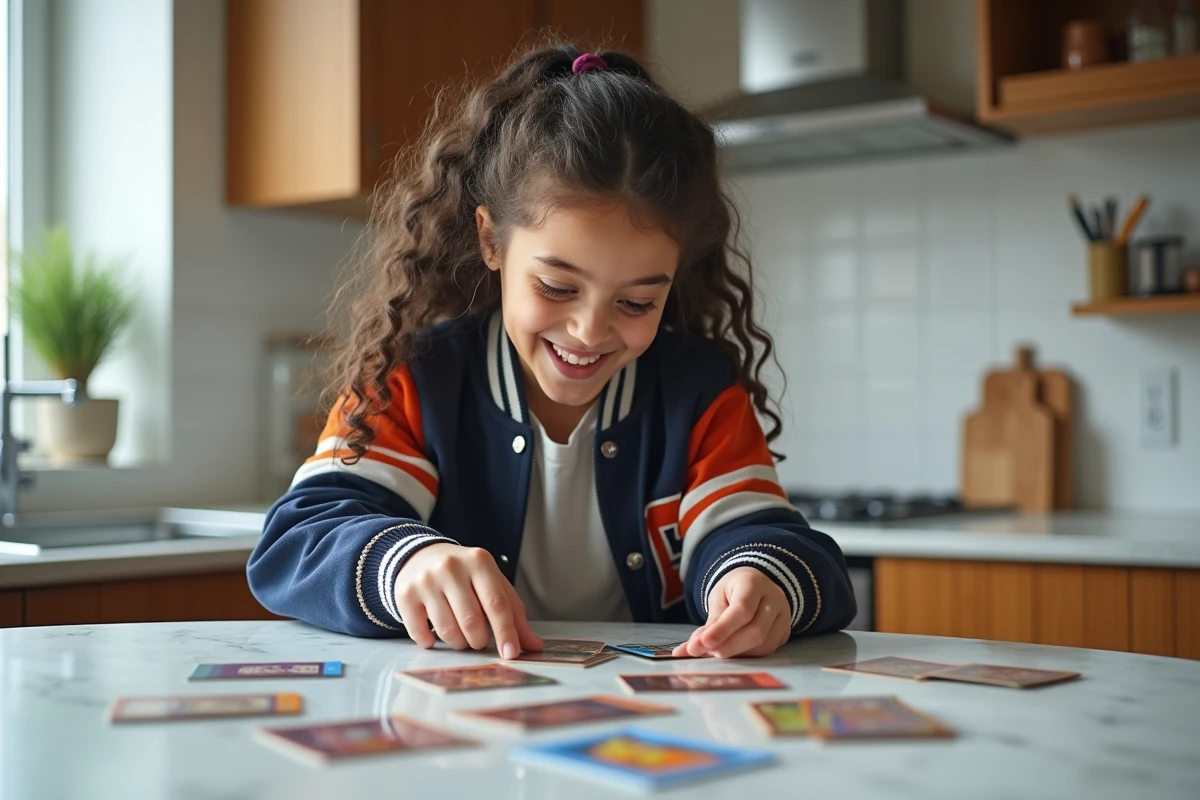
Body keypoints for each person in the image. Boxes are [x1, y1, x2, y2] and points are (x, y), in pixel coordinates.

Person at [248, 44, 856, 660]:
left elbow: (781, 548)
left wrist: (758, 581)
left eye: (637, 303)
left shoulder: (696, 391)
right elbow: (298, 538)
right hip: (460, 731)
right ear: (491, 240)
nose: (590, 332)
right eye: (557, 287)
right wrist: (406, 563)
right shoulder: (419, 377)